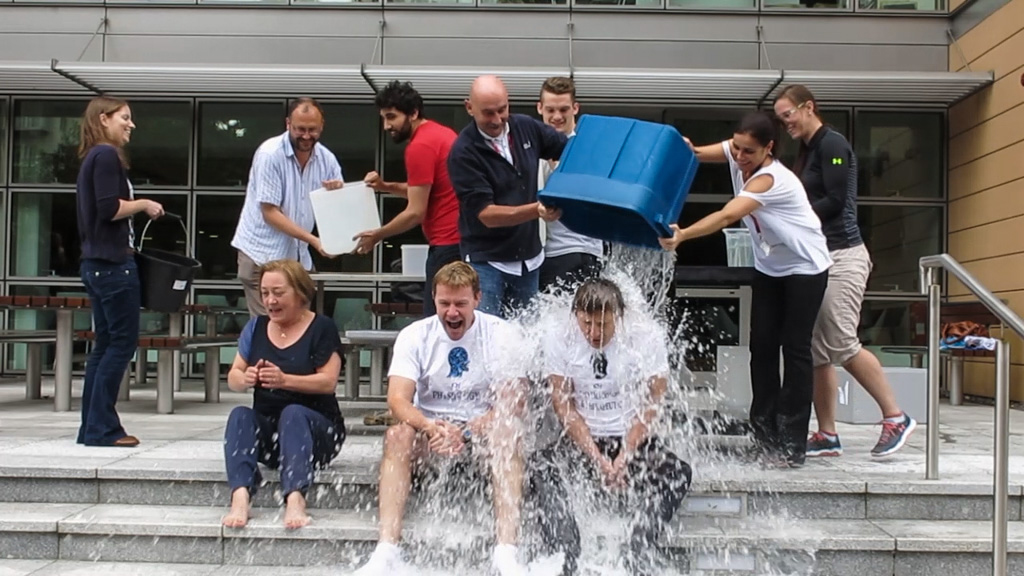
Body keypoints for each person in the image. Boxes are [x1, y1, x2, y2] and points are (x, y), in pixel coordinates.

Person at [659, 111, 832, 468]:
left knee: (795, 350)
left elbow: (726, 215)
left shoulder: (771, 180)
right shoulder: (740, 152)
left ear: (769, 149)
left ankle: (791, 445)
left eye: (748, 152)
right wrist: (683, 149)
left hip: (805, 267)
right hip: (770, 267)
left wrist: (683, 235)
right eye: (736, 148)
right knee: (761, 348)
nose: (739, 156)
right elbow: (702, 153)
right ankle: (763, 437)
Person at [352, 261, 530, 576]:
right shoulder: (415, 335)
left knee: (508, 432)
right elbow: (397, 400)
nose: (451, 312)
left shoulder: (502, 333)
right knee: (397, 435)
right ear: (433, 298)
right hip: (430, 438)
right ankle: (387, 548)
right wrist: (429, 426)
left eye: (460, 303)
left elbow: (513, 401)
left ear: (477, 298)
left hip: (480, 439)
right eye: (444, 303)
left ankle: (506, 550)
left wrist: (477, 427)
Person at [773, 85, 917, 458]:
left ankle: (895, 416)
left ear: (808, 108)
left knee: (840, 343)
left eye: (788, 114)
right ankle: (827, 434)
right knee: (818, 350)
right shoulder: (806, 151)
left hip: (844, 256)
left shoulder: (833, 146)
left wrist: (791, 219)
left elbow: (836, 201)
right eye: (780, 117)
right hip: (818, 258)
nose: (784, 122)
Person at [531, 278, 692, 576]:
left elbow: (652, 405)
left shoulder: (645, 335)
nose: (593, 333)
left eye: (602, 325)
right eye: (586, 323)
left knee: (678, 472)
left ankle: (639, 547)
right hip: (583, 439)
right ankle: (565, 552)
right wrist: (596, 456)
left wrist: (625, 455)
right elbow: (564, 405)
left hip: (628, 436)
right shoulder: (559, 334)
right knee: (539, 466)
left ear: (618, 317)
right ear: (576, 315)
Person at [221, 259, 345, 529]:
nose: (270, 300)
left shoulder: (321, 327)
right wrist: (246, 378)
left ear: (300, 293)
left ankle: (296, 498)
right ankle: (241, 495)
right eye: (265, 293)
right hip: (271, 435)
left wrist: (284, 380)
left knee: (293, 413)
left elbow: (328, 383)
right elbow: (233, 376)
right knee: (240, 415)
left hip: (316, 435)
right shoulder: (255, 328)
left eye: (278, 293)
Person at [75, 96, 164, 447]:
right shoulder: (106, 155)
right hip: (113, 265)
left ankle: (92, 427)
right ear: (103, 118)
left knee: (105, 345)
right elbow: (109, 208)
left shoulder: (92, 158)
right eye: (125, 118)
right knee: (120, 345)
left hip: (96, 265)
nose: (131, 124)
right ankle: (102, 429)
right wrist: (144, 204)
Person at [448, 74, 568, 318]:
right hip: (486, 261)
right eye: (488, 113)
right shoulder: (463, 153)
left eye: (502, 110)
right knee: (488, 337)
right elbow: (487, 215)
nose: (497, 119)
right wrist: (537, 209)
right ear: (469, 108)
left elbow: (569, 149)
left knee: (527, 340)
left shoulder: (526, 127)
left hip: (529, 258)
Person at [230, 98, 344, 318]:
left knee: (300, 328)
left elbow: (338, 210)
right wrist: (313, 240)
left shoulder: (327, 159)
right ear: (288, 124)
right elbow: (270, 213)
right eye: (300, 129)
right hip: (261, 255)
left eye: (313, 130)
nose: (306, 136)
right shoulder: (269, 154)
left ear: (322, 127)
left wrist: (337, 193)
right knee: (269, 329)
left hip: (298, 259)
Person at [359, 80, 462, 317]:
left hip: (446, 245)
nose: (386, 125)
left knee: (438, 321)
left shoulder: (420, 146)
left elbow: (416, 212)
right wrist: (385, 186)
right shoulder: (442, 134)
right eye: (384, 118)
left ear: (413, 113)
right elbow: (428, 190)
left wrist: (377, 235)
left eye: (392, 117)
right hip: (461, 242)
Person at [536, 77, 604, 294]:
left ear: (575, 108)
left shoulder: (588, 146)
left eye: (564, 109)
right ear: (540, 108)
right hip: (545, 252)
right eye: (551, 110)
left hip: (575, 251)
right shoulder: (532, 145)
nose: (557, 116)